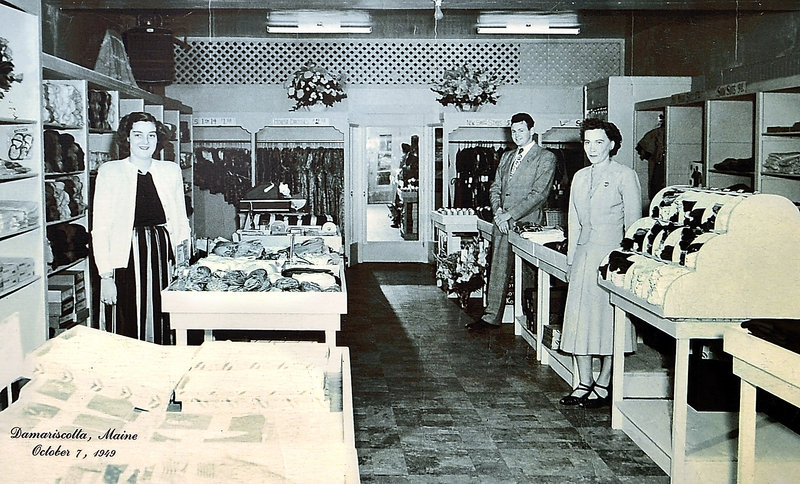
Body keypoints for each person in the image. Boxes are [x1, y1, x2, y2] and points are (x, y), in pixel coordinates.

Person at [559, 118, 642, 408]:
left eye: (598, 141)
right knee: (579, 320)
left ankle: (604, 382)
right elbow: (573, 221)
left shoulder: (625, 175)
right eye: (587, 142)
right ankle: (583, 382)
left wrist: (626, 264)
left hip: (611, 257)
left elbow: (633, 227)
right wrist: (571, 259)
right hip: (583, 256)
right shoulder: (580, 176)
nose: (592, 148)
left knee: (608, 322)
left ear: (612, 144)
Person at [92, 111, 191, 344]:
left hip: (161, 251)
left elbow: (180, 219)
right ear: (127, 138)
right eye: (138, 135)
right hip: (125, 255)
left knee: (164, 314)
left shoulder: (170, 170)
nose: (145, 142)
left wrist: (184, 261)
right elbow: (101, 227)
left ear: (158, 139)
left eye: (151, 135)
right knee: (127, 317)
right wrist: (105, 277)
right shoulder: (110, 171)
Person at [467, 112, 556, 331]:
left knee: (528, 272)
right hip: (502, 221)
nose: (516, 135)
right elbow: (496, 187)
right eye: (513, 131)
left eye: (521, 131)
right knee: (498, 266)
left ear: (531, 130)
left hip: (527, 223)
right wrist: (498, 211)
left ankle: (531, 318)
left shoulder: (545, 157)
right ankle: (491, 317)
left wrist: (509, 214)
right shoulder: (507, 156)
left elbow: (539, 194)